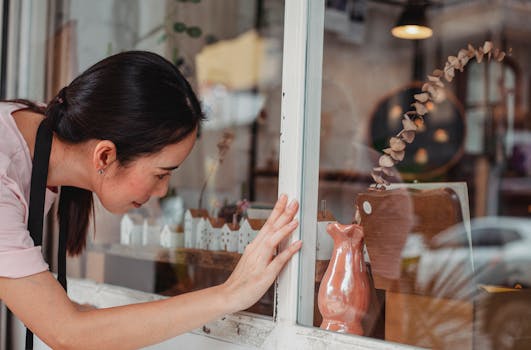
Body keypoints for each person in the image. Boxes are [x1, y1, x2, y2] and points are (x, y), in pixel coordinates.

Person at [0, 51, 301, 349]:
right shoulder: (5, 168)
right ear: (105, 155)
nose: (161, 191)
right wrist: (230, 294)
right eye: (161, 174)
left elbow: (57, 317)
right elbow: (67, 333)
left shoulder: (50, 133)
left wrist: (91, 318)